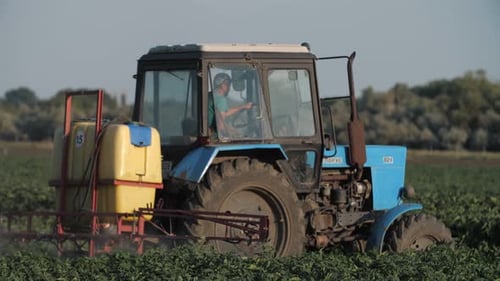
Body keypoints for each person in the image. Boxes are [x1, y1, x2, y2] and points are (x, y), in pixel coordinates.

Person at [208, 72, 252, 137]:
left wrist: (243, 107)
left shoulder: (209, 96)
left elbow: (224, 113)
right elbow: (220, 125)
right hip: (214, 136)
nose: (229, 87)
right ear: (223, 85)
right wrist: (233, 134)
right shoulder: (220, 99)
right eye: (228, 85)